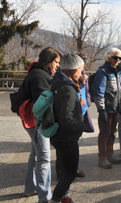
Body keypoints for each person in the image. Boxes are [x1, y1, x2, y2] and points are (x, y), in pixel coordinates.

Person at [21, 47, 62, 203]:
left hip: (31, 121)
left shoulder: (37, 72)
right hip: (37, 123)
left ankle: (30, 188)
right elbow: (43, 105)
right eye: (56, 62)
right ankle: (45, 197)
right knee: (44, 158)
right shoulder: (40, 76)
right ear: (48, 61)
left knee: (35, 154)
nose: (58, 65)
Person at [49, 54, 87, 203]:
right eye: (81, 69)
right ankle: (56, 200)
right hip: (67, 138)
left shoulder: (59, 84)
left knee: (65, 171)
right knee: (70, 174)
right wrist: (81, 126)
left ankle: (65, 199)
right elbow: (67, 119)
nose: (82, 73)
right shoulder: (68, 90)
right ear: (73, 70)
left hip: (59, 136)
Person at [93, 47, 121, 169]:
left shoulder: (117, 71)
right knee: (104, 133)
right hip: (106, 108)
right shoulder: (103, 71)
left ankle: (110, 155)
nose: (117, 60)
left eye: (119, 58)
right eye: (115, 57)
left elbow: (119, 89)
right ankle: (103, 158)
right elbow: (98, 92)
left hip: (115, 107)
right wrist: (101, 110)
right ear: (108, 57)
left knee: (112, 132)